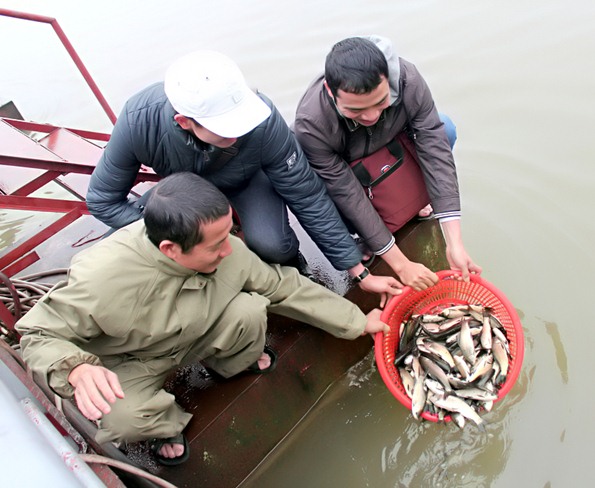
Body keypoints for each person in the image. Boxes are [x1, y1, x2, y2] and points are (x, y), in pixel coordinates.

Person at [16, 173, 390, 466]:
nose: (230, 249)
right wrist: (77, 369)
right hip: (131, 362)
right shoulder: (100, 278)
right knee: (122, 420)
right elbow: (36, 333)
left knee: (250, 310)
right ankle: (166, 426)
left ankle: (233, 363)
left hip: (197, 332)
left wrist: (357, 321)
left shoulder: (229, 249)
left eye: (229, 233)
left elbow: (283, 285)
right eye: (215, 245)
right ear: (170, 249)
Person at [86, 50, 401, 302]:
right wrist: (174, 236)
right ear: (184, 121)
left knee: (274, 246)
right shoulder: (139, 120)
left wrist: (357, 270)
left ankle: (296, 270)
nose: (239, 132)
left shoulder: (264, 120)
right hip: (183, 195)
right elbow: (102, 200)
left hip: (246, 181)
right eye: (226, 128)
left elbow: (307, 196)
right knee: (112, 257)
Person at [294, 36, 482, 285]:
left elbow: (433, 147)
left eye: (381, 102)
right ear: (330, 91)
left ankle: (412, 204)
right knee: (312, 179)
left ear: (389, 80)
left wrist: (454, 242)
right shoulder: (311, 123)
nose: (371, 116)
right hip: (349, 169)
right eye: (355, 110)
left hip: (391, 147)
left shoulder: (407, 79)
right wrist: (401, 265)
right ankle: (368, 237)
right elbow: (345, 192)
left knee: (444, 128)